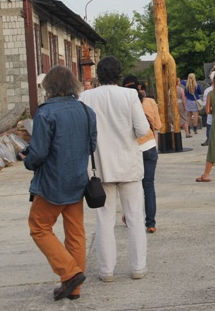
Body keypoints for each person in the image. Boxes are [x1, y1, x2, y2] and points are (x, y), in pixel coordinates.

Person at [22, 65, 96, 301]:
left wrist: (27, 159)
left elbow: (39, 152)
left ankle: (70, 272)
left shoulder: (45, 113)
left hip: (52, 183)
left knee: (39, 227)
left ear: (49, 88)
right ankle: (74, 288)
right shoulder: (86, 111)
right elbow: (91, 146)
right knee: (75, 234)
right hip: (77, 180)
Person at [79, 56, 150, 282]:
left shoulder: (86, 96)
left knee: (104, 220)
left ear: (98, 74)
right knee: (135, 218)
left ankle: (106, 270)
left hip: (100, 167)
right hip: (128, 163)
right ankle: (138, 267)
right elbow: (142, 129)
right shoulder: (129, 95)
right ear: (119, 73)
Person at [123, 75, 161, 233]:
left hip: (133, 149)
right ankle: (150, 223)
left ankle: (129, 217)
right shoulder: (150, 102)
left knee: (132, 187)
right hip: (150, 146)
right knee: (149, 186)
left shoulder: (124, 105)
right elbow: (158, 124)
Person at [200, 70, 215, 146]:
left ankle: (209, 141)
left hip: (211, 115)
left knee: (209, 129)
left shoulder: (208, 91)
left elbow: (205, 105)